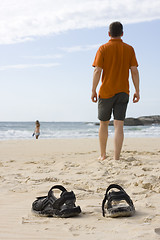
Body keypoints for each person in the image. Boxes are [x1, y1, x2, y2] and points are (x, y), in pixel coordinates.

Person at [91, 21, 140, 160]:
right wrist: (137, 90)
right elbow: (134, 71)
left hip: (106, 91)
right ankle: (116, 157)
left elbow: (97, 70)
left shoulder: (103, 48)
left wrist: (93, 90)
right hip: (123, 91)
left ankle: (103, 155)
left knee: (104, 124)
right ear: (122, 33)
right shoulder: (129, 49)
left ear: (108, 34)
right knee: (119, 125)